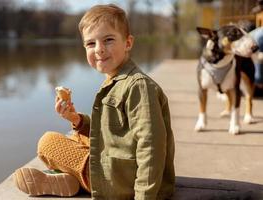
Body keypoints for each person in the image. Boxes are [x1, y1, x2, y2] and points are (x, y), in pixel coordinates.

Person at [13, 4, 175, 200]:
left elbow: (151, 145)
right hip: (122, 171)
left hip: (125, 185)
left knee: (48, 142)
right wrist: (76, 119)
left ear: (128, 43)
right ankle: (73, 180)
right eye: (91, 44)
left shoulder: (138, 86)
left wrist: (144, 196)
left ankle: (81, 180)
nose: (99, 49)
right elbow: (111, 133)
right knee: (76, 138)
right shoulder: (116, 80)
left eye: (108, 40)